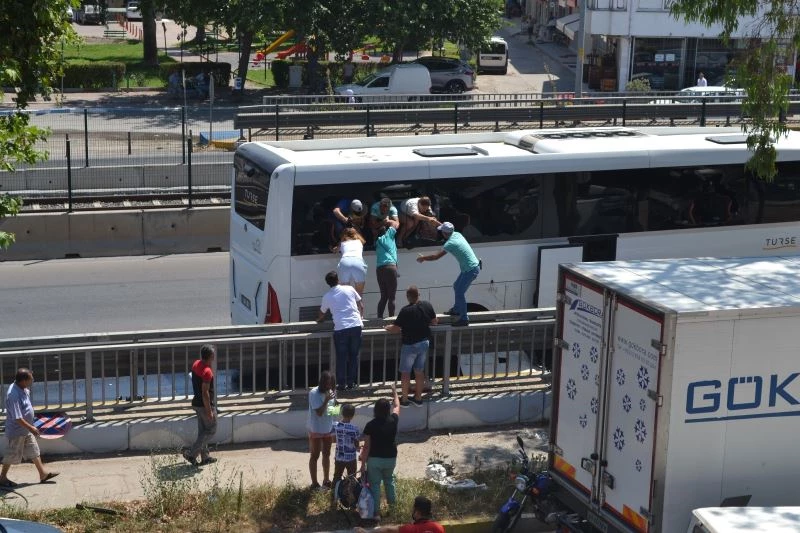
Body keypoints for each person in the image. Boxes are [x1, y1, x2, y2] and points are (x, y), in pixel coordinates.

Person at [0, 368, 59, 487]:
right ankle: (2, 478)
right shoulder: (13, 395)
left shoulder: (23, 388)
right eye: (31, 379)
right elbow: (17, 417)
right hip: (17, 431)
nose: (33, 381)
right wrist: (31, 427)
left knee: (34, 451)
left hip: (25, 429)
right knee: (11, 455)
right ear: (23, 380)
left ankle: (42, 474)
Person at [416, 222, 479, 327]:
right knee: (456, 286)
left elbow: (436, 257)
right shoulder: (457, 234)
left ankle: (464, 318)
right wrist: (433, 221)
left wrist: (423, 258)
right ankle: (456, 309)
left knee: (459, 292)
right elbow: (445, 226)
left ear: (445, 233)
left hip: (471, 269)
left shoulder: (450, 244)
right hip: (470, 267)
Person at [385, 286, 437, 406]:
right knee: (419, 371)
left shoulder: (405, 311)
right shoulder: (427, 305)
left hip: (409, 345)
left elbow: (396, 329)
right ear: (419, 294)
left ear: (408, 297)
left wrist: (387, 327)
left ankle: (404, 400)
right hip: (424, 343)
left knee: (405, 373)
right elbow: (434, 322)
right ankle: (418, 399)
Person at [360, 383, 401, 520]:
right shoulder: (393, 420)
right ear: (387, 409)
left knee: (375, 485)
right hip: (391, 458)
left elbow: (366, 447)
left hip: (375, 460)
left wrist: (362, 464)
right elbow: (397, 406)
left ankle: (376, 513)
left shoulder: (370, 425)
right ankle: (394, 509)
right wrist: (394, 392)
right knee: (389, 481)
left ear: (375, 410)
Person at [318, 271, 364, 390]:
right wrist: (361, 317)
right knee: (354, 356)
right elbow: (361, 305)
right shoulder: (349, 288)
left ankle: (341, 384)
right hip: (355, 326)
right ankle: (351, 383)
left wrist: (319, 320)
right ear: (338, 279)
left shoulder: (327, 296)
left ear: (328, 284)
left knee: (341, 357)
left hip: (341, 329)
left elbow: (322, 314)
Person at [183, 344, 217, 466]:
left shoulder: (196, 364)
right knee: (212, 429)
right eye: (213, 355)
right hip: (204, 405)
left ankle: (205, 457)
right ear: (211, 356)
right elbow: (205, 393)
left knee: (203, 431)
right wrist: (209, 411)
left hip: (196, 403)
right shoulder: (207, 372)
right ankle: (191, 454)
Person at [307, 370, 336, 490]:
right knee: (315, 455)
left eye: (331, 384)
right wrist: (326, 400)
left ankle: (326, 480)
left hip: (328, 428)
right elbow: (319, 412)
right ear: (322, 383)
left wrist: (336, 405)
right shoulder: (314, 393)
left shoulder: (332, 392)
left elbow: (332, 412)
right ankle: (314, 483)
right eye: (327, 384)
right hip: (316, 428)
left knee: (327, 454)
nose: (329, 386)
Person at [353, 495, 445, 533]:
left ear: (417, 512)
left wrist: (367, 532)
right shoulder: (439, 528)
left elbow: (388, 529)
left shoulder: (410, 529)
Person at [375, 219, 400, 318]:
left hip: (379, 270)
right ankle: (391, 319)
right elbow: (395, 223)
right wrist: (387, 220)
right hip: (390, 267)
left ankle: (379, 318)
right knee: (392, 297)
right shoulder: (388, 236)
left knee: (383, 297)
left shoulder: (377, 242)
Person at [332, 403, 361, 486]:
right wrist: (358, 448)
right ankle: (350, 493)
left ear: (342, 413)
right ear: (353, 416)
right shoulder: (354, 428)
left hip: (339, 457)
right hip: (351, 457)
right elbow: (356, 442)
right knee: (352, 477)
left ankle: (335, 492)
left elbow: (333, 439)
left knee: (337, 475)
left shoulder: (335, 425)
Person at [335, 227, 368, 298]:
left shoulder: (342, 243)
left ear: (343, 235)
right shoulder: (359, 242)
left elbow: (335, 251)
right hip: (358, 262)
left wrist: (332, 248)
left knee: (346, 295)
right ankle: (359, 307)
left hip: (345, 262)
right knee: (359, 296)